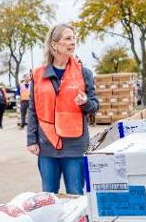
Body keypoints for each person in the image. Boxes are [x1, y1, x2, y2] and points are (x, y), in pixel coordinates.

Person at [27, 24, 99, 195]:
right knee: (48, 195)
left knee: (75, 193)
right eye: (67, 38)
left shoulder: (84, 73)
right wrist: (32, 139)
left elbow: (94, 106)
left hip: (74, 146)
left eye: (74, 38)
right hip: (47, 145)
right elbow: (33, 109)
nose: (72, 42)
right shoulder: (38, 75)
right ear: (54, 44)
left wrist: (85, 102)